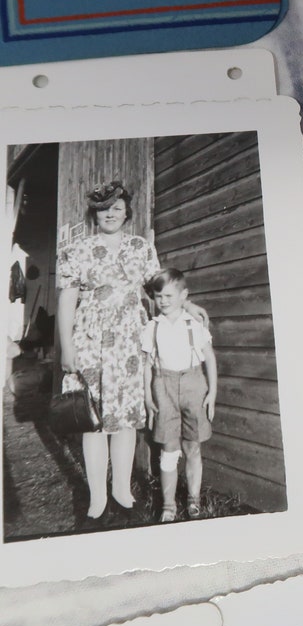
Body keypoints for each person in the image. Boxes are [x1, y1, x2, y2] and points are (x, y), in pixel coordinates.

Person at [57, 181, 207, 527]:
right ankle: (97, 497)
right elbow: (67, 300)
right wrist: (67, 346)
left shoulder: (142, 247)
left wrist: (189, 304)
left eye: (117, 208)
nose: (110, 214)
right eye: (104, 208)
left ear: (127, 213)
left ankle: (122, 490)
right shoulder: (76, 250)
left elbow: (159, 291)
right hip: (90, 339)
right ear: (94, 213)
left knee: (125, 419)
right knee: (92, 420)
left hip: (129, 341)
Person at [142, 268, 217, 522]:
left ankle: (193, 499)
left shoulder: (193, 324)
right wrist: (148, 397)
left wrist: (212, 393)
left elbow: (209, 358)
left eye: (169, 296)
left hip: (193, 384)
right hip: (163, 386)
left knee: (192, 446)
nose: (163, 301)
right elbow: (147, 366)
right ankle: (168, 504)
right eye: (158, 296)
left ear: (184, 295)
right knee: (169, 448)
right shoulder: (152, 327)